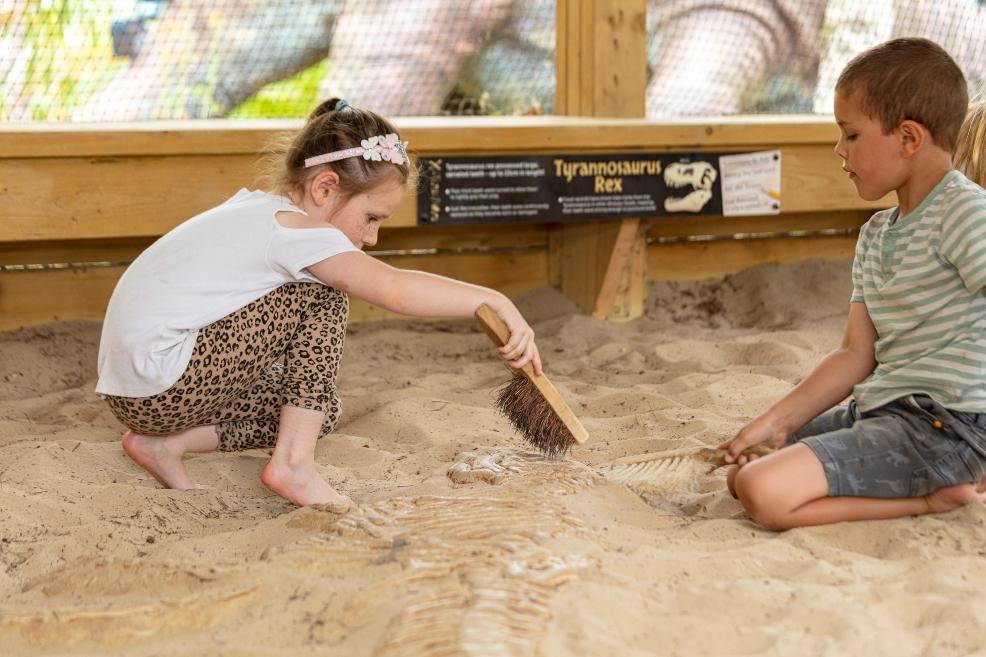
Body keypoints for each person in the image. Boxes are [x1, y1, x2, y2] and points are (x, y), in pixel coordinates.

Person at [95, 98, 543, 509]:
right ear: (325, 188)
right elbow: (394, 289)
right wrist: (492, 298)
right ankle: (293, 466)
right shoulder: (293, 231)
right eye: (371, 218)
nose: (371, 237)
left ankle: (165, 445)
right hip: (165, 385)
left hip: (140, 391)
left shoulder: (258, 213)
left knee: (318, 409)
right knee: (323, 294)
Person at [719, 38, 986, 530]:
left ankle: (936, 501)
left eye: (851, 135)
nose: (839, 150)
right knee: (745, 471)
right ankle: (931, 492)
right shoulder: (875, 235)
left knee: (762, 490)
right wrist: (777, 422)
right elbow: (854, 356)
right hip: (884, 412)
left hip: (947, 428)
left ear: (909, 137)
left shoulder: (965, 211)